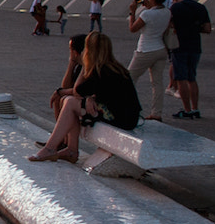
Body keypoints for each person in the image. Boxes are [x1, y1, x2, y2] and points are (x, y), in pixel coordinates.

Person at [31, 32, 141, 161]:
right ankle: (70, 149)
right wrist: (90, 98)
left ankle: (52, 148)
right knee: (68, 100)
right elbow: (98, 92)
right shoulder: (115, 68)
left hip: (121, 119)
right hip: (127, 117)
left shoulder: (101, 70)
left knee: (70, 102)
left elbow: (78, 90)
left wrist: (84, 64)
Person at [126, 0, 171, 120]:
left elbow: (133, 28)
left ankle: (131, 110)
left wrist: (132, 11)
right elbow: (157, 15)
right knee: (157, 83)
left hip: (145, 50)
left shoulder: (146, 14)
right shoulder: (167, 12)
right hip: (160, 49)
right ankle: (156, 113)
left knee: (129, 80)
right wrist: (150, 6)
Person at [167, 0, 210, 119]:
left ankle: (187, 110)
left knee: (181, 78)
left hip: (179, 45)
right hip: (195, 45)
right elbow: (207, 29)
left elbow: (169, 25)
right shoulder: (200, 7)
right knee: (192, 78)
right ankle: (195, 108)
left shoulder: (175, 8)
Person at [49, 33, 87, 118]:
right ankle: (61, 128)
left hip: (88, 101)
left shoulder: (87, 68)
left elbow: (78, 90)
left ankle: (62, 130)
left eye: (70, 49)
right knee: (59, 98)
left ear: (75, 52)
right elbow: (66, 86)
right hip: (81, 98)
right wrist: (71, 65)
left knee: (64, 99)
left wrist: (60, 92)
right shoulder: (79, 67)